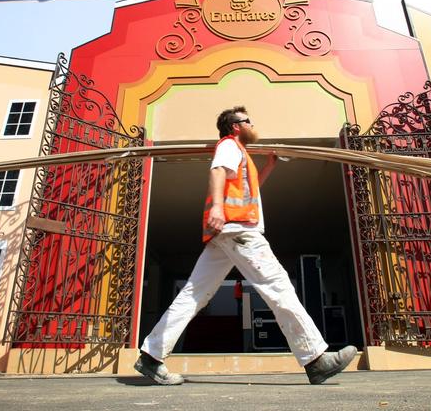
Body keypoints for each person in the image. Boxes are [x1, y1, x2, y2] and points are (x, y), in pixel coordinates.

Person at [134, 106, 357, 385]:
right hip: (239, 230)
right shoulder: (230, 145)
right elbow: (217, 171)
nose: (253, 124)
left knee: (193, 295)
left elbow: (249, 189)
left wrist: (270, 166)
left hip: (225, 235)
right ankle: (315, 359)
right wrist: (217, 207)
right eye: (248, 120)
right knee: (278, 287)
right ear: (236, 126)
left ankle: (151, 357)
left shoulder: (242, 155)